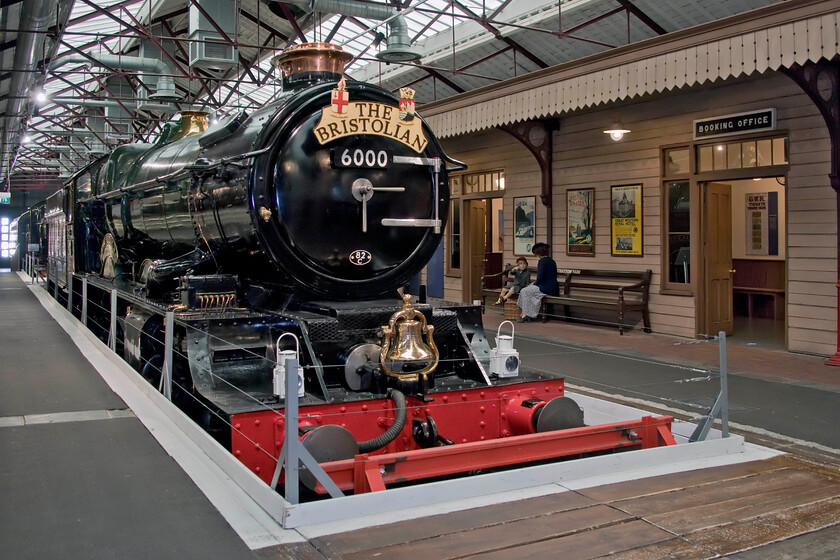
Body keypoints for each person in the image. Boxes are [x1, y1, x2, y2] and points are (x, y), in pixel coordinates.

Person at [516, 242, 559, 322]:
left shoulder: (542, 262)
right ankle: (527, 313)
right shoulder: (551, 261)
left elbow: (540, 278)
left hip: (546, 288)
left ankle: (526, 314)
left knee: (524, 291)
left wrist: (533, 283)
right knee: (529, 291)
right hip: (554, 287)